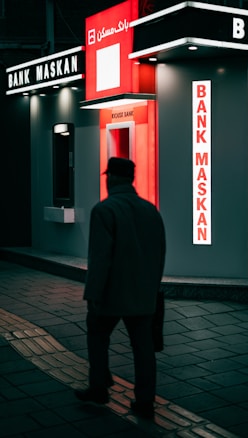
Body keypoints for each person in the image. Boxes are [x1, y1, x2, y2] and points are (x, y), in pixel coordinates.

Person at [75, 157, 166, 420]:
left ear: (111, 178)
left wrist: (93, 294)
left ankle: (99, 388)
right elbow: (160, 254)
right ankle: (145, 401)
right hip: (143, 294)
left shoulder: (104, 210)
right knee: (144, 349)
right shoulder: (151, 210)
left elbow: (100, 258)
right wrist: (152, 288)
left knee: (97, 336)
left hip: (112, 295)